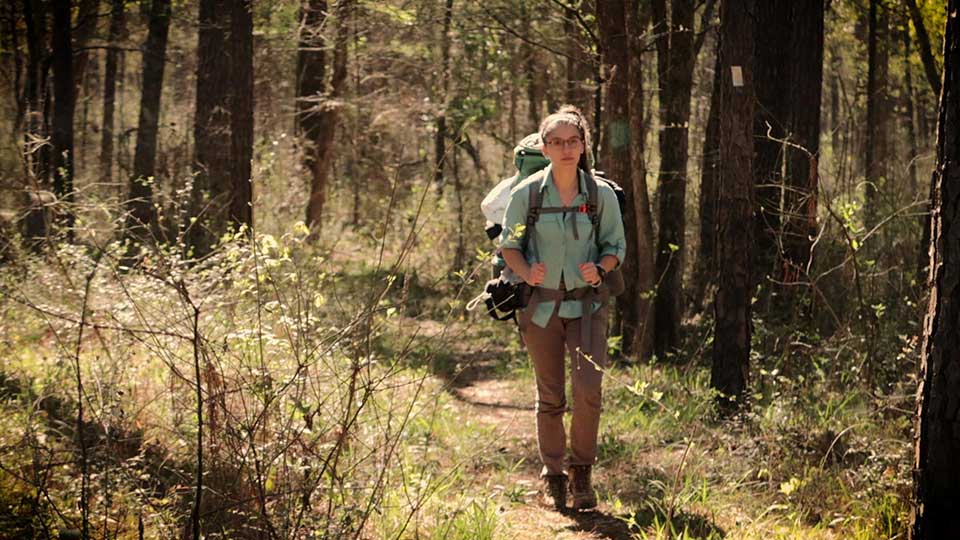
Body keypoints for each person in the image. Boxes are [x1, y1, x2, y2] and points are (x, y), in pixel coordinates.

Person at [499, 106, 626, 511]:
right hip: (540, 309)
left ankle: (582, 470)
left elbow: (615, 247)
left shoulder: (600, 194)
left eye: (573, 141)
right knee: (550, 394)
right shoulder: (527, 194)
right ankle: (553, 474)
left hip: (587, 307)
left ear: (584, 145)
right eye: (557, 142)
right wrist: (525, 271)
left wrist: (600, 268)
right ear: (545, 147)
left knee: (588, 390)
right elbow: (509, 246)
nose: (566, 148)